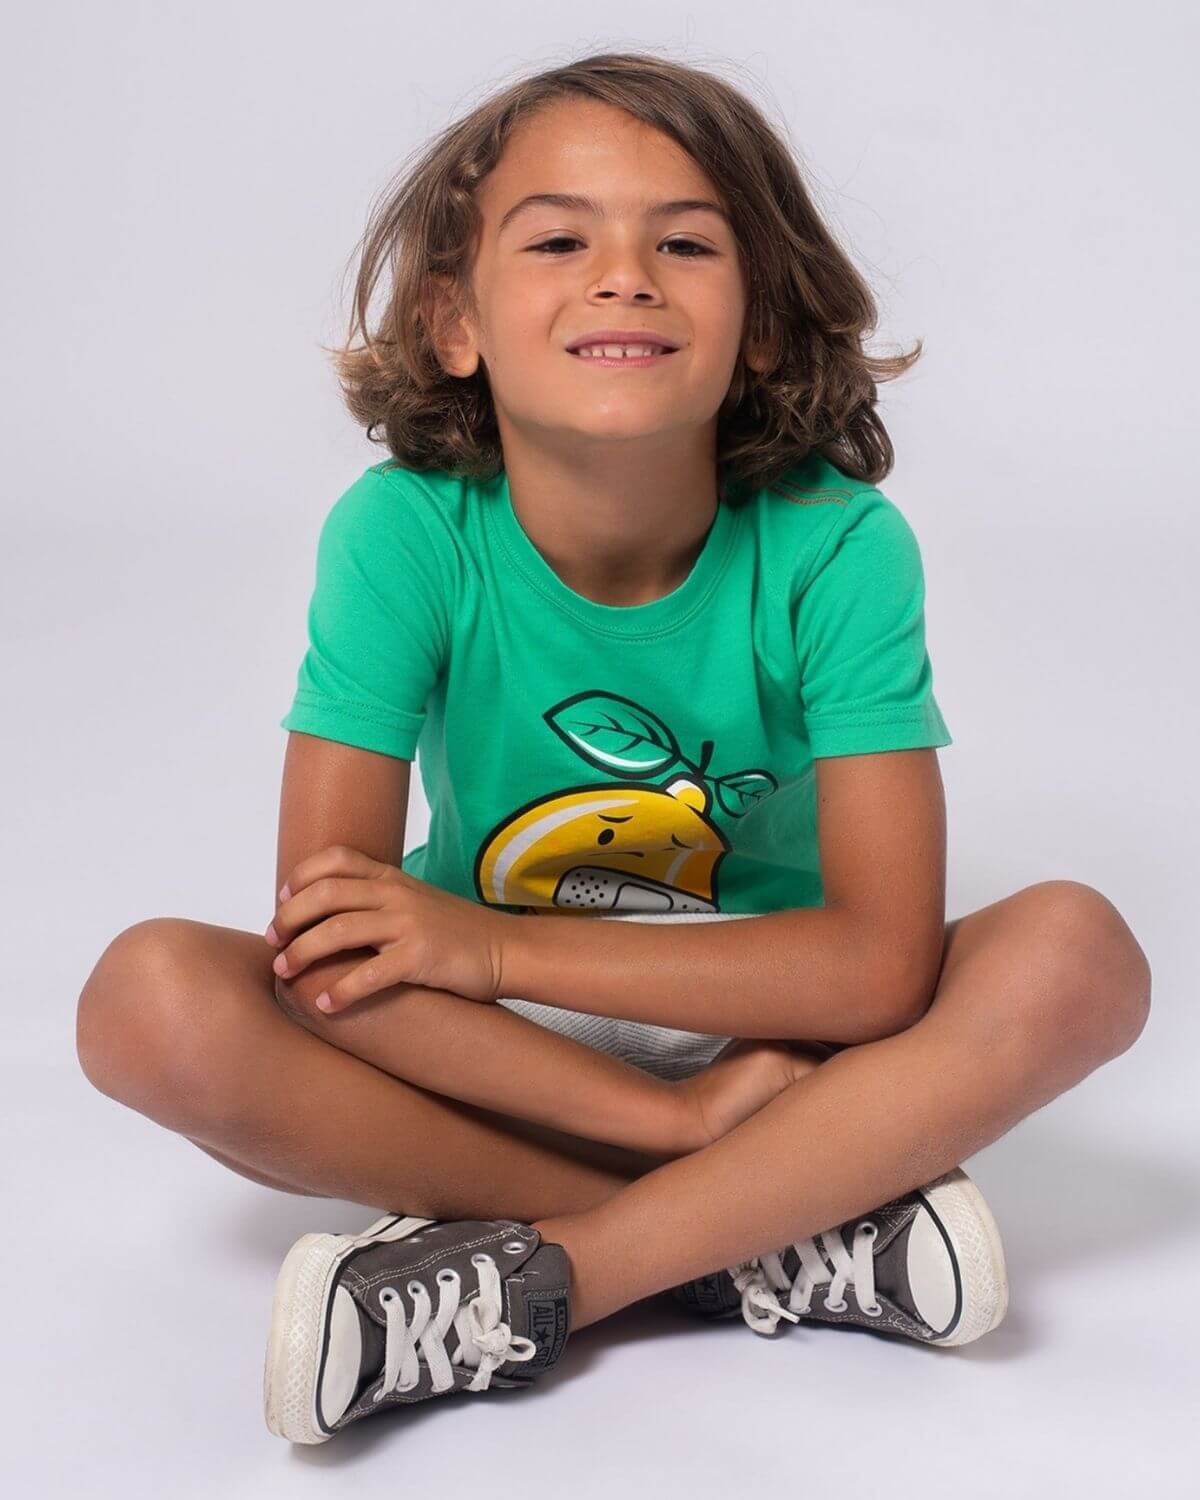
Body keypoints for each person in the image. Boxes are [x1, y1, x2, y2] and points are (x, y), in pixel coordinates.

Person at [75, 51, 1152, 1446]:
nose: (625, 277)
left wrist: (495, 949)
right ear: (456, 321)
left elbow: (879, 966)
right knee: (148, 1000)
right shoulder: (402, 532)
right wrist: (677, 1126)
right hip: (497, 1051)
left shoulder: (839, 546)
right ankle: (783, 1226)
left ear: (761, 325)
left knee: (1079, 954)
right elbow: (334, 952)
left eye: (686, 244)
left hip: (776, 1029)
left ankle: (560, 1275)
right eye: (559, 240)